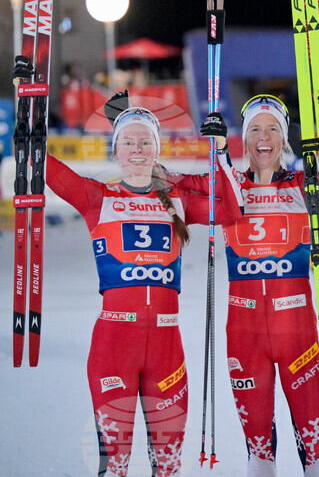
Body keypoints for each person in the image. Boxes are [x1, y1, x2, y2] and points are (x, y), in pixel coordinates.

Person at [13, 55, 241, 477]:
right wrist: (30, 106)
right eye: (129, 142)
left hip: (168, 350)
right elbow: (43, 166)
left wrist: (223, 153)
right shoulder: (96, 197)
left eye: (145, 142)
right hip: (113, 344)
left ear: (157, 148)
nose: (137, 149)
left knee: (168, 467)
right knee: (114, 465)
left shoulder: (176, 199)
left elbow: (229, 210)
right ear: (115, 148)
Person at [219, 94, 319, 477]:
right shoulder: (226, 185)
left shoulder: (305, 184)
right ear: (244, 138)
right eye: (254, 129)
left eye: (272, 129)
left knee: (317, 455)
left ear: (284, 139)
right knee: (258, 457)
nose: (263, 137)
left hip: (297, 332)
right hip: (244, 335)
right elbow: (165, 186)